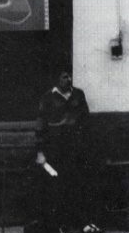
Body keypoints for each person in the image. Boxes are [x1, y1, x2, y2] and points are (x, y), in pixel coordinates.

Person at [35, 70, 101, 233]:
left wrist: (88, 147)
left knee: (78, 186)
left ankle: (81, 224)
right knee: (57, 187)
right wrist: (40, 152)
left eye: (70, 76)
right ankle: (59, 226)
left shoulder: (78, 95)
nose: (69, 79)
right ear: (57, 79)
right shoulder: (47, 98)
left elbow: (86, 122)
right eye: (65, 76)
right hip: (56, 151)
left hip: (77, 150)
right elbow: (41, 125)